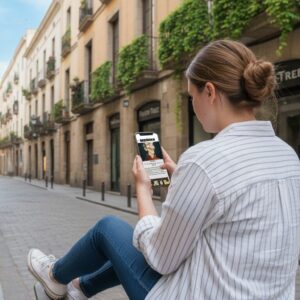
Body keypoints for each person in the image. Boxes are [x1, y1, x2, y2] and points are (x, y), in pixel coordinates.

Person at [27, 40, 300, 300]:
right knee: (145, 239)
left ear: (210, 92)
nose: (193, 104)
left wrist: (144, 190)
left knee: (108, 229)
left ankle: (54, 276)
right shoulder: (288, 157)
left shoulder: (204, 159)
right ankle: (79, 289)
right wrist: (181, 181)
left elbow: (160, 257)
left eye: (191, 96)